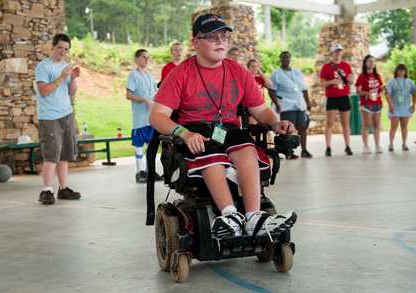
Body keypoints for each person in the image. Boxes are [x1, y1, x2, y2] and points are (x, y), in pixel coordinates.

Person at [149, 13, 296, 240]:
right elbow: (157, 116)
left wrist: (276, 122)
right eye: (212, 37)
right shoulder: (181, 74)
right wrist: (183, 132)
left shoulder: (238, 72)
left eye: (224, 36)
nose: (221, 42)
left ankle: (254, 217)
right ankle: (230, 216)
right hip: (196, 131)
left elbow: (260, 110)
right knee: (210, 151)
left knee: (247, 148)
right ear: (195, 42)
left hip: (228, 128)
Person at [35, 33, 81, 205]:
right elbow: (44, 91)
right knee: (51, 154)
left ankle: (63, 188)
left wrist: (73, 78)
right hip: (49, 117)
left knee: (64, 154)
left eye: (66, 49)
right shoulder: (43, 67)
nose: (63, 51)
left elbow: (71, 92)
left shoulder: (66, 67)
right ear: (53, 47)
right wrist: (62, 76)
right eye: (60, 48)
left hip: (66, 114)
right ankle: (46, 190)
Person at [126, 49, 162, 183]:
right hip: (140, 119)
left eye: (148, 58)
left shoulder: (150, 76)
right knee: (139, 145)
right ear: (136, 59)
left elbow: (156, 93)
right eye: (143, 57)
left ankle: (149, 171)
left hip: (151, 119)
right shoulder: (133, 75)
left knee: (151, 146)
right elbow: (128, 95)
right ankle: (139, 172)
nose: (146, 60)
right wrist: (144, 100)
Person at [270, 51, 312, 159]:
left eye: (288, 58)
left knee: (302, 127)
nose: (286, 59)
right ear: (280, 59)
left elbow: (304, 89)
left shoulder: (297, 72)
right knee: (287, 128)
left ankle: (304, 150)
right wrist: (277, 104)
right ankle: (288, 151)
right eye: (283, 58)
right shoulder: (276, 74)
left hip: (299, 103)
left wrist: (308, 102)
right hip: (286, 105)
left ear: (290, 59)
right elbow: (271, 91)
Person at [319, 43, 353, 157]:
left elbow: (350, 80)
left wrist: (351, 79)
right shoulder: (326, 67)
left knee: (346, 123)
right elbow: (321, 83)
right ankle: (328, 147)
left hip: (344, 96)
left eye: (339, 51)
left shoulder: (346, 66)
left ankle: (348, 146)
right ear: (332, 53)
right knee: (330, 123)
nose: (338, 53)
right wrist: (331, 82)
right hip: (332, 97)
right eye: (336, 51)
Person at [355, 55, 384, 154]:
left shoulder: (377, 76)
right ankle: (366, 146)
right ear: (365, 63)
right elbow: (358, 92)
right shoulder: (361, 76)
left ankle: (377, 145)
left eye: (373, 61)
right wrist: (368, 94)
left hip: (378, 103)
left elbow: (380, 88)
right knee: (366, 125)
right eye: (369, 61)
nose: (372, 63)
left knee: (376, 125)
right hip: (367, 104)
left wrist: (381, 91)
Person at [385, 64, 416, 151]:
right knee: (393, 126)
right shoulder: (391, 82)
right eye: (399, 70)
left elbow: (414, 93)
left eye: (403, 70)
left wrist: (413, 105)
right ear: (396, 71)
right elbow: (387, 94)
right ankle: (391, 144)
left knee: (404, 126)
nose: (401, 72)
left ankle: (404, 144)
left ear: (405, 71)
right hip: (395, 107)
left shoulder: (410, 82)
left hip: (406, 107)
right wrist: (390, 105)